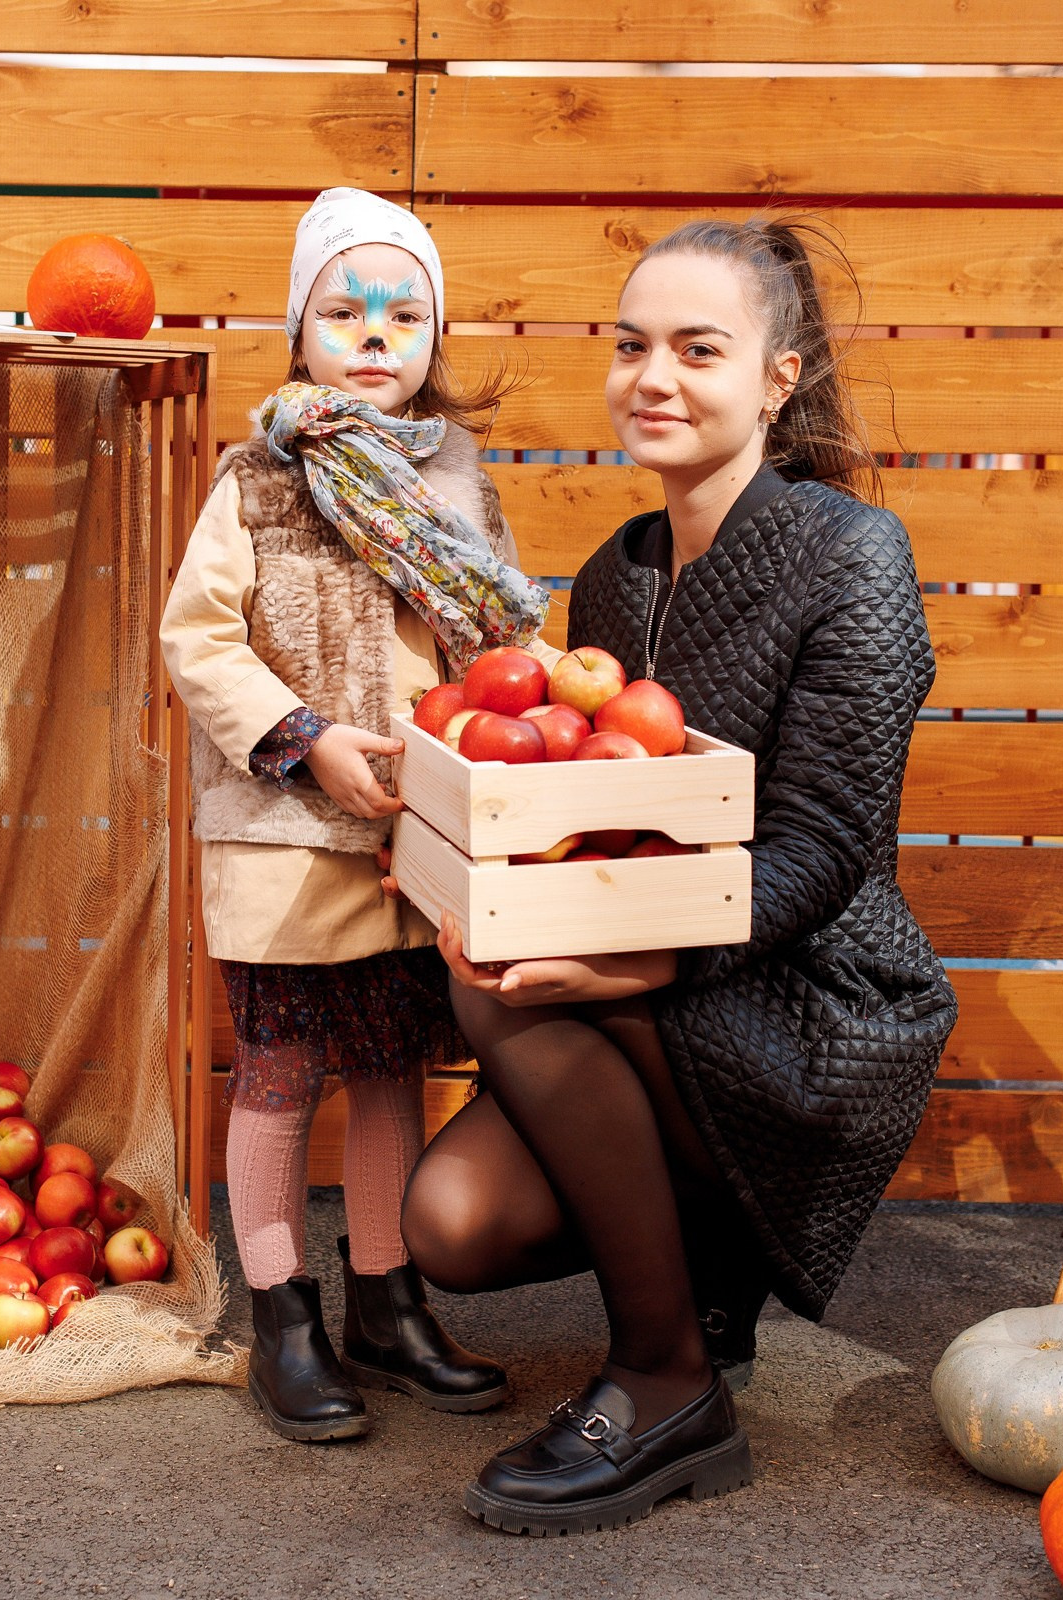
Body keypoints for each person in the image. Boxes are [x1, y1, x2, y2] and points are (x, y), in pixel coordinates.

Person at [398, 217, 959, 1534]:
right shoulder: (614, 578)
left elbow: (827, 850)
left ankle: (665, 1384)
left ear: (779, 377)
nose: (653, 376)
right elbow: (595, 822)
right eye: (631, 345)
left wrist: (630, 961)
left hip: (817, 1000)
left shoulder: (850, 556)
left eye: (698, 350)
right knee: (453, 1223)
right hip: (655, 978)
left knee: (503, 989)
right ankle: (704, 1269)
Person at [158, 187, 548, 1442]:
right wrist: (306, 740)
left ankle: (388, 1297)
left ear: (435, 339)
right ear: (299, 334)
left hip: (413, 836)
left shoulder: (460, 489)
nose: (374, 334)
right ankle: (282, 1313)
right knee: (279, 1069)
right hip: (283, 835)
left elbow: (501, 633)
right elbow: (197, 637)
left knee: (392, 1063)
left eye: (403, 313)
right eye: (343, 311)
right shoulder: (259, 482)